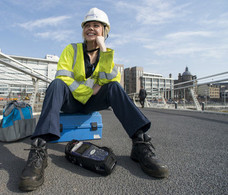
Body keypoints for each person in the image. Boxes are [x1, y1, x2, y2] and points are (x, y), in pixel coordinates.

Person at [18, 8, 169, 192]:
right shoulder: (71, 49)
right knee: (56, 84)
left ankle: (140, 143)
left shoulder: (107, 54)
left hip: (92, 103)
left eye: (96, 25)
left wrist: (103, 49)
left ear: (105, 31)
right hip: (71, 102)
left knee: (114, 87)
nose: (91, 28)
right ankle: (39, 150)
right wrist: (91, 90)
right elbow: (64, 78)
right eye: (87, 25)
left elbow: (112, 80)